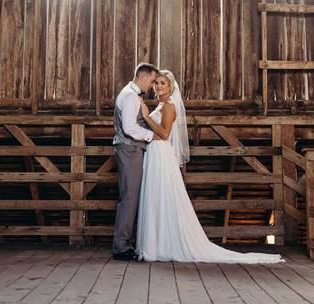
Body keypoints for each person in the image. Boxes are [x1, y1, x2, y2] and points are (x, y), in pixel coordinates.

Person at [135, 70, 284, 264]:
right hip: (154, 154)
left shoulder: (169, 107)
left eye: (163, 83)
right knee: (155, 197)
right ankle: (154, 244)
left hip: (161, 154)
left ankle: (162, 245)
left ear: (171, 87)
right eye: (156, 83)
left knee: (163, 196)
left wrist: (146, 117)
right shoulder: (161, 105)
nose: (158, 87)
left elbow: (164, 134)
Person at [111, 62, 159, 260]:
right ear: (143, 77)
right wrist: (152, 136)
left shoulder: (130, 93)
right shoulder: (131, 95)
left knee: (130, 197)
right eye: (152, 80)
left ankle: (124, 243)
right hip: (130, 150)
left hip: (130, 150)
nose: (152, 85)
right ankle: (121, 247)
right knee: (129, 198)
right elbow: (130, 128)